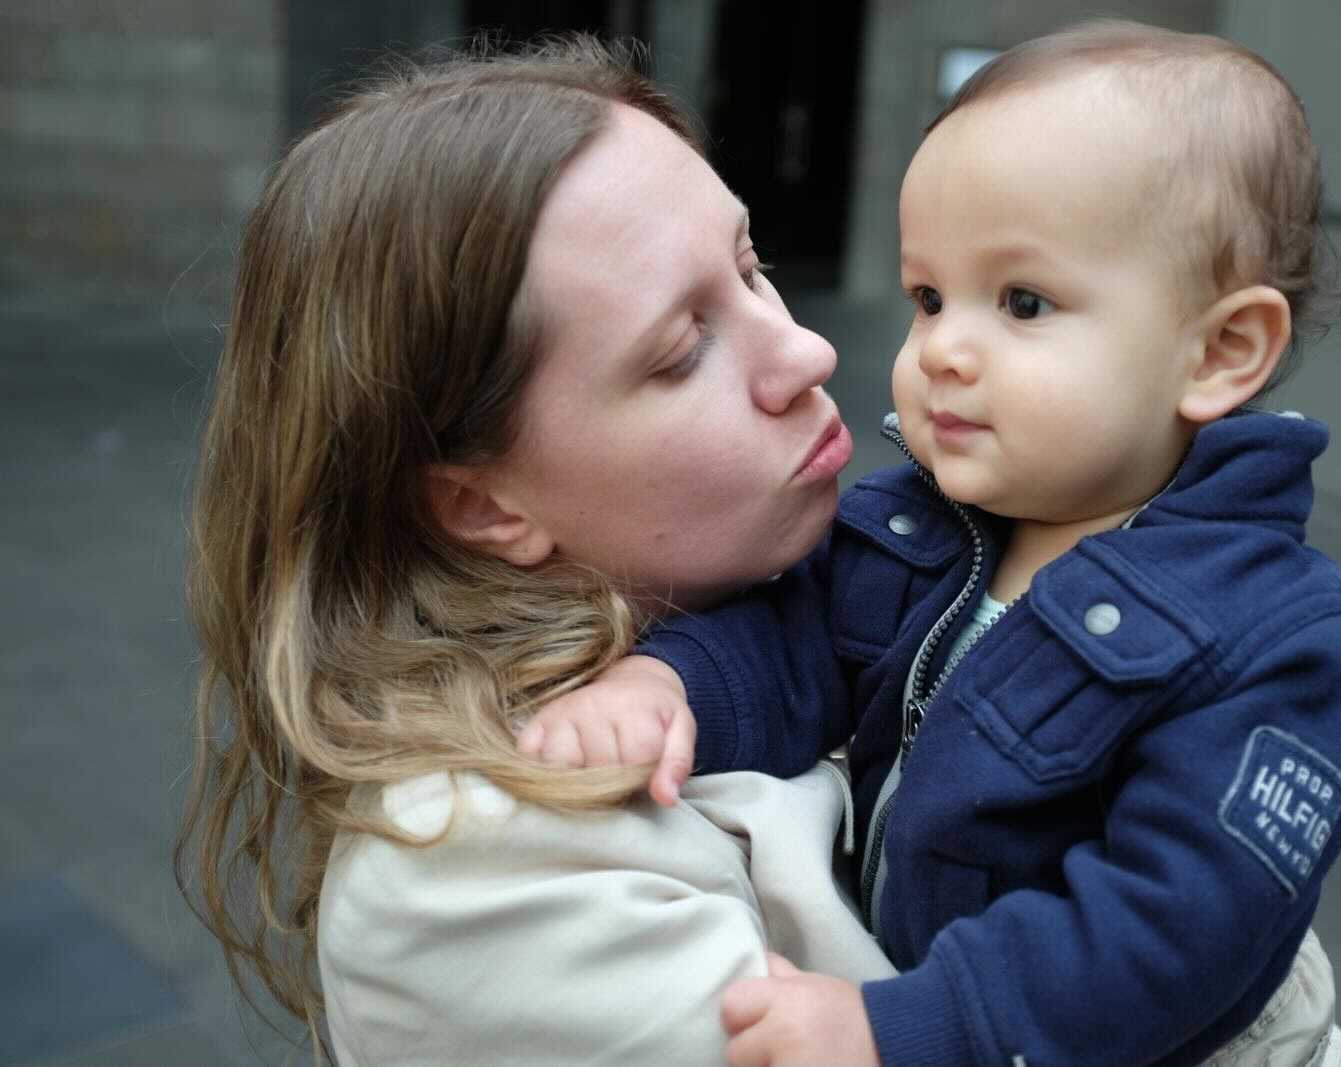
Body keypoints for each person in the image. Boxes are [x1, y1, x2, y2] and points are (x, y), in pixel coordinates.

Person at [529, 20, 1341, 1067]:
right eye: (930, 298)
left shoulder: (1274, 638)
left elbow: (1175, 926)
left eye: (1022, 302)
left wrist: (922, 1027)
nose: (941, 353)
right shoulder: (916, 531)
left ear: (1219, 351)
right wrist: (666, 688)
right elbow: (793, 643)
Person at [174, 37, 896, 1066]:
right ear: (481, 504)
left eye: (750, 266)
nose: (806, 352)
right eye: (683, 349)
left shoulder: (832, 587)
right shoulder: (476, 867)